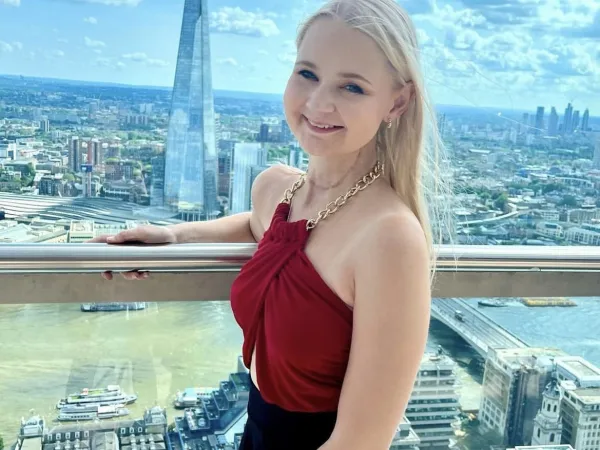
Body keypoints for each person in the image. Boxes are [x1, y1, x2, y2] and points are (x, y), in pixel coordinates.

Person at [92, 0, 449, 448]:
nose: (319, 102)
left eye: (352, 87)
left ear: (397, 102)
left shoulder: (389, 237)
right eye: (308, 74)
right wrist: (176, 236)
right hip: (255, 429)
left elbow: (360, 442)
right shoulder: (278, 189)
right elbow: (263, 228)